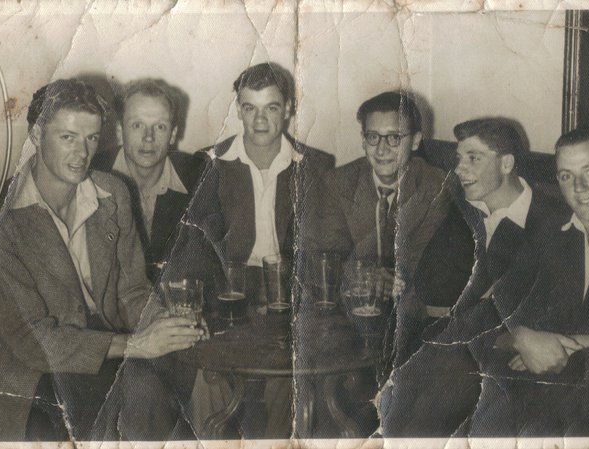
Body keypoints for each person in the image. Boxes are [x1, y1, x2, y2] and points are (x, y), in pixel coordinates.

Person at [0, 79, 203, 441]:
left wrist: (167, 323)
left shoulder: (112, 192)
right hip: (33, 372)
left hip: (108, 348)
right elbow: (31, 339)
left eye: (91, 138)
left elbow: (132, 291)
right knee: (139, 393)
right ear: (37, 135)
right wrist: (137, 345)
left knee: (168, 386)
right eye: (68, 137)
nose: (82, 153)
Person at [163, 62, 334, 438]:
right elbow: (195, 244)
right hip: (227, 295)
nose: (259, 120)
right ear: (238, 109)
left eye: (271, 107)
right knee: (205, 375)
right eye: (250, 108)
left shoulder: (316, 166)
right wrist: (194, 305)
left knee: (289, 379)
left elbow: (323, 245)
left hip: (289, 295)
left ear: (288, 109)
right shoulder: (209, 163)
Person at [381, 118, 567, 437]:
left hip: (512, 360)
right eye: (459, 158)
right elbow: (430, 286)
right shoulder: (465, 210)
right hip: (454, 347)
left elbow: (553, 312)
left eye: (473, 158)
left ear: (506, 164)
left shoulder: (555, 221)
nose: (459, 169)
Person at [468, 126, 589, 436]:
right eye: (566, 176)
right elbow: (488, 311)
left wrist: (571, 347)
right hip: (537, 396)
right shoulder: (548, 231)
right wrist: (521, 337)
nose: (579, 187)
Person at [312, 90, 447, 284]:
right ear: (363, 139)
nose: (382, 150)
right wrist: (370, 277)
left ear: (415, 141)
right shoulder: (336, 183)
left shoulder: (435, 186)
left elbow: (425, 264)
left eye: (394, 137)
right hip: (352, 295)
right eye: (373, 137)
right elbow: (328, 258)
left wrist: (386, 280)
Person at [90, 79, 204, 281]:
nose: (148, 137)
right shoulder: (90, 176)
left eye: (160, 126)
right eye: (137, 125)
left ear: (173, 134)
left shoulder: (200, 178)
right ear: (120, 131)